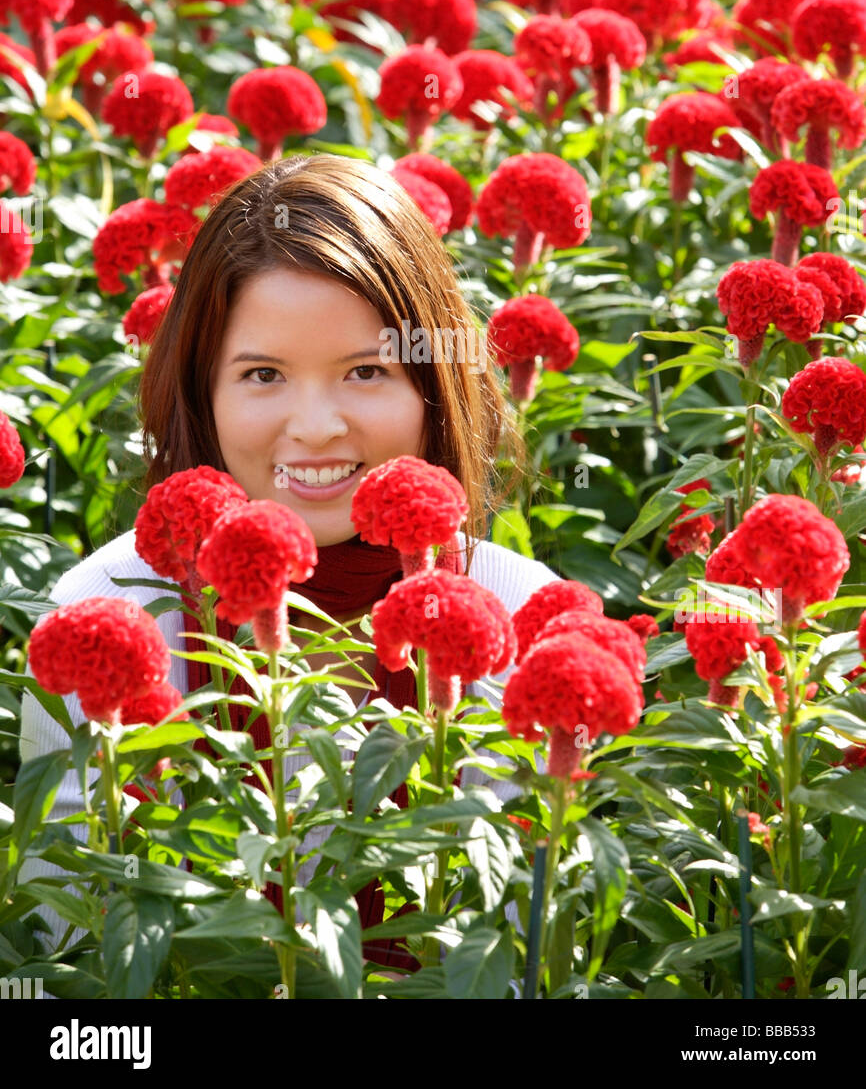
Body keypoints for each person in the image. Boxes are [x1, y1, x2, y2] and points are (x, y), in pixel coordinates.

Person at [19, 153, 561, 962]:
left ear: (431, 384)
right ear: (202, 390)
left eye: (367, 371)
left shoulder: (514, 611)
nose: (314, 426)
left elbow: (525, 946)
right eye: (263, 373)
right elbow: (70, 942)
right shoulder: (115, 608)